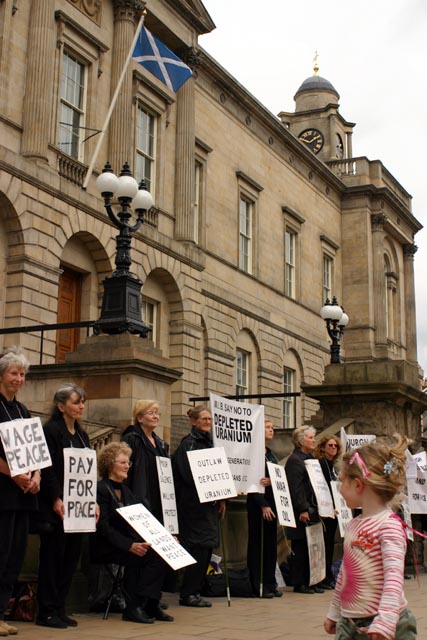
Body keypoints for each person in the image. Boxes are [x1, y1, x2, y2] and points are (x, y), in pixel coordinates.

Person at [324, 434, 417, 640]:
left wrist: (386, 620)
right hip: (350, 623)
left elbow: (393, 579)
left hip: (384, 623)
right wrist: (335, 611)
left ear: (358, 485)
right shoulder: (354, 524)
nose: (339, 489)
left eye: (342, 483)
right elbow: (344, 575)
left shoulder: (388, 526)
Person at [92, 442, 172, 624]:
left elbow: (144, 520)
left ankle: (150, 603)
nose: (127, 466)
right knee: (145, 557)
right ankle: (135, 606)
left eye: (128, 462)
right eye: (122, 462)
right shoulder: (100, 490)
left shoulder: (128, 492)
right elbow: (103, 528)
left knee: (163, 553)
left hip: (127, 543)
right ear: (110, 464)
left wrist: (165, 537)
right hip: (107, 545)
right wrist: (129, 545)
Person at [36, 383, 91, 629]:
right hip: (57, 507)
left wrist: (92, 502)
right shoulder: (51, 431)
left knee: (70, 559)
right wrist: (56, 497)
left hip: (79, 509)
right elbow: (46, 469)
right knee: (52, 559)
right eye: (76, 402)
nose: (80, 406)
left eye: (82, 402)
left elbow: (89, 472)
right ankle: (46, 610)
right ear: (61, 406)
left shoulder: (82, 435)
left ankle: (60, 607)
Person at [0, 346, 40, 637]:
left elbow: (35, 452)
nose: (19, 378)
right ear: (2, 375)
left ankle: (1, 611)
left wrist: (36, 474)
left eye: (23, 374)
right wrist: (12, 473)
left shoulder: (23, 410)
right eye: (14, 373)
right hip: (2, 492)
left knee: (14, 556)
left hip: (23, 495)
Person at [172, 405, 225, 607]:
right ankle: (188, 592)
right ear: (193, 421)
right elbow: (187, 476)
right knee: (197, 547)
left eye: (210, 419)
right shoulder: (189, 444)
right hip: (193, 505)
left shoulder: (211, 444)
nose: (207, 422)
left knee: (207, 547)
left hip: (209, 505)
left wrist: (222, 498)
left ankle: (195, 589)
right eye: (203, 418)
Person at [285, 425, 324, 594]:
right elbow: (296, 488)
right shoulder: (295, 460)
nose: (314, 440)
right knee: (301, 547)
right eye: (310, 437)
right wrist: (302, 509)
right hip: (302, 510)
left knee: (312, 547)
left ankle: (312, 580)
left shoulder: (310, 459)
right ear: (301, 440)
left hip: (313, 508)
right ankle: (300, 583)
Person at [246, 419, 282, 598]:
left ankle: (269, 581)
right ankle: (257, 583)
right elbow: (251, 481)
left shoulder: (271, 454)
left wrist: (273, 481)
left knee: (270, 545)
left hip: (273, 502)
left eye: (272, 427)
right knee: (258, 544)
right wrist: (263, 504)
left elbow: (277, 477)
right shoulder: (254, 454)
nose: (271, 430)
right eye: (268, 427)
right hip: (259, 504)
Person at [121, 399, 169, 522]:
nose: (155, 416)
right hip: (139, 496)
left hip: (159, 498)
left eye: (157, 413)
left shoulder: (161, 443)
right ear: (140, 418)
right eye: (151, 413)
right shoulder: (131, 439)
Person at [314, 434, 342, 589]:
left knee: (330, 543)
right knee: (325, 543)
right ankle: (324, 577)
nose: (333, 448)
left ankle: (328, 576)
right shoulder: (321, 464)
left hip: (334, 511)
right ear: (323, 448)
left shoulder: (332, 466)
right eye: (330, 445)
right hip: (325, 509)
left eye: (335, 446)